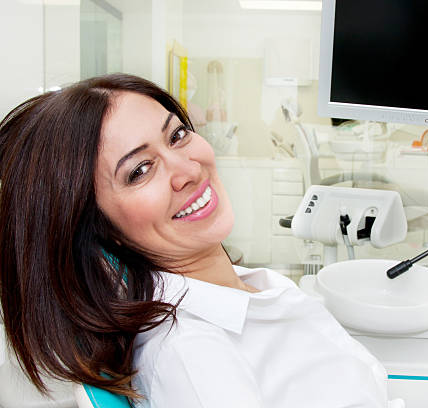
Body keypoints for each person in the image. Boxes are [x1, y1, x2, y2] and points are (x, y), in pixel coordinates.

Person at [0, 74, 403, 407]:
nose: (188, 169)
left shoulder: (242, 287)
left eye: (176, 136)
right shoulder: (192, 355)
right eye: (140, 170)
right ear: (99, 230)